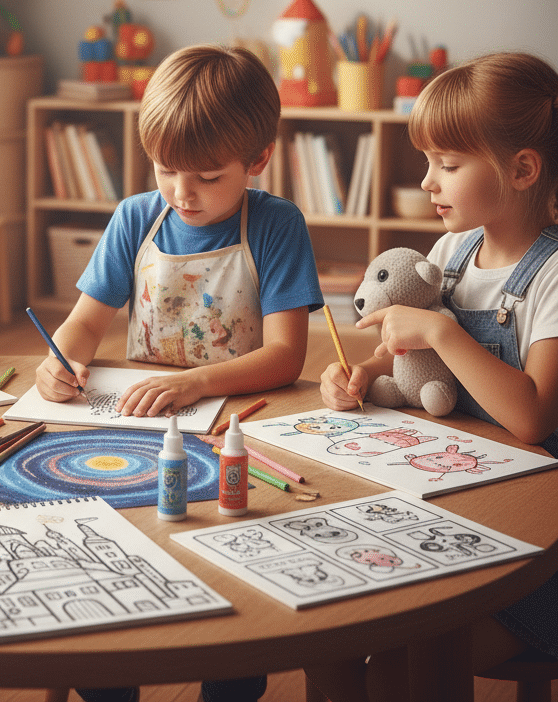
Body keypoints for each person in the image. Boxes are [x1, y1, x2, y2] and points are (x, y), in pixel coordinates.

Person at [35, 44, 323, 702]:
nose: (182, 192)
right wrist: (63, 356)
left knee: (232, 574)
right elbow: (84, 322)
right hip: (141, 423)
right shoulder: (139, 217)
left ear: (257, 161)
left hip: (241, 427)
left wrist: (195, 383)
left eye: (207, 175)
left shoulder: (276, 225)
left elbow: (286, 356)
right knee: (121, 562)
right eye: (166, 170)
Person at [307, 51, 558, 702]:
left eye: (448, 165)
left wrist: (443, 330)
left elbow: (532, 416)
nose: (428, 182)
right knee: (333, 639)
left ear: (522, 169)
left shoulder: (552, 276)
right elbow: (408, 360)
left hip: (537, 544)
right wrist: (361, 373)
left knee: (403, 663)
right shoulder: (449, 254)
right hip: (456, 496)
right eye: (428, 164)